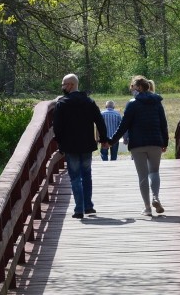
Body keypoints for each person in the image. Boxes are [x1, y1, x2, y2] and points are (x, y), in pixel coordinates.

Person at [109, 76, 169, 217]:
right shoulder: (157, 102)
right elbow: (163, 124)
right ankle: (156, 197)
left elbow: (124, 125)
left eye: (132, 87)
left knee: (142, 176)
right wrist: (164, 142)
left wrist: (111, 141)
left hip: (137, 144)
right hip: (155, 142)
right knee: (154, 172)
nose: (131, 90)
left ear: (138, 88)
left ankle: (147, 208)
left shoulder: (132, 104)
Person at [52, 74, 109, 219]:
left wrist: (59, 143)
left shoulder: (62, 103)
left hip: (71, 146)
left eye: (64, 84)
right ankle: (88, 206)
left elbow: (57, 127)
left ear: (71, 85)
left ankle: (78, 209)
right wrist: (104, 139)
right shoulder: (89, 102)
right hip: (86, 144)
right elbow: (100, 121)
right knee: (86, 175)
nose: (62, 87)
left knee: (75, 177)